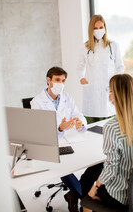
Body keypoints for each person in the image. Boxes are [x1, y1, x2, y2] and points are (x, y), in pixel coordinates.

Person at [64, 74, 133, 212]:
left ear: (119, 95)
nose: (109, 94)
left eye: (111, 91)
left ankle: (84, 204)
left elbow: (111, 168)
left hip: (120, 196)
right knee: (95, 169)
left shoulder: (112, 127)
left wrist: (94, 188)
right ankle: (73, 195)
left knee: (93, 183)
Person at [31, 67, 87, 212]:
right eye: (57, 80)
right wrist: (59, 128)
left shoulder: (67, 97)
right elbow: (39, 131)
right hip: (50, 145)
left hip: (71, 140)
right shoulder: (37, 102)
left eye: (63, 81)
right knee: (64, 167)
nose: (60, 84)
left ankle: (73, 194)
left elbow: (79, 115)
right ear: (48, 80)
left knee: (94, 161)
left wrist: (80, 123)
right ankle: (86, 199)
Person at [77, 14, 125, 124]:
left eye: (101, 27)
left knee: (109, 124)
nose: (98, 30)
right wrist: (82, 79)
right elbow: (79, 67)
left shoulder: (113, 46)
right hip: (91, 91)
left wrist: (115, 84)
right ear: (91, 30)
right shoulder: (85, 47)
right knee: (91, 127)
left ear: (105, 28)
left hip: (108, 91)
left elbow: (120, 67)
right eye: (95, 28)